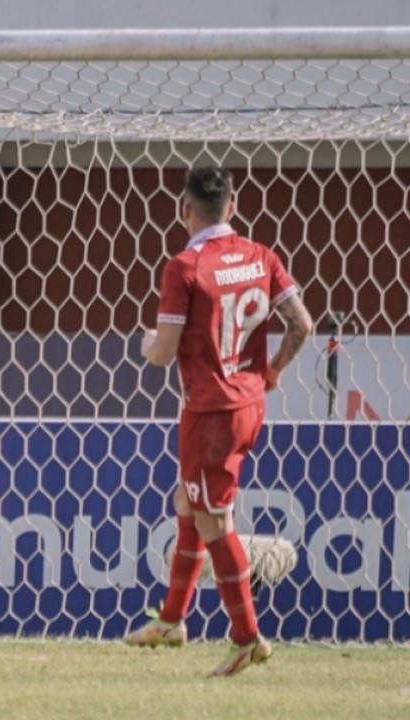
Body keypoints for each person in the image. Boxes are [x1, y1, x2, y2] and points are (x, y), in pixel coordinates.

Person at [125, 167, 312, 677]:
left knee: (214, 521)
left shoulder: (184, 267)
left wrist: (145, 344)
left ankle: (247, 637)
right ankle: (171, 620)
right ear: (231, 208)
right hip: (249, 405)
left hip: (210, 413)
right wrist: (272, 370)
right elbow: (302, 323)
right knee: (187, 501)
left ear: (186, 211)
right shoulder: (262, 256)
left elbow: (163, 354)